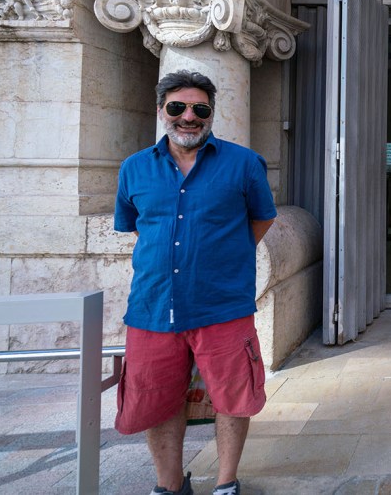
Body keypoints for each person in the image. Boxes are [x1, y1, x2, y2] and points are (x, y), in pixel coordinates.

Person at [114, 70, 277, 495]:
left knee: (232, 395)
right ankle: (169, 485)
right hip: (153, 307)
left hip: (222, 305)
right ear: (161, 111)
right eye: (178, 107)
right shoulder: (134, 168)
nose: (189, 116)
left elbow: (263, 218)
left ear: (211, 114)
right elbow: (137, 227)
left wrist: (224, 256)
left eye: (200, 109)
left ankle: (226, 482)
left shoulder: (244, 163)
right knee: (156, 399)